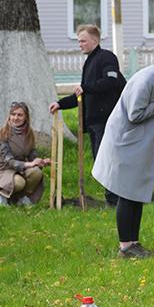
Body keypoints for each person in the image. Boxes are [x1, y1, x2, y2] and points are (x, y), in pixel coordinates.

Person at [92, 48, 154, 259]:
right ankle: (125, 247)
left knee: (137, 193)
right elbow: (135, 113)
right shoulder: (146, 79)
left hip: (140, 143)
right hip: (125, 141)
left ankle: (134, 243)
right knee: (127, 193)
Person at [49, 24, 126, 207]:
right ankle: (113, 198)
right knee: (102, 161)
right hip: (94, 123)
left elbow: (111, 81)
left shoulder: (106, 57)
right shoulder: (90, 61)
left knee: (108, 161)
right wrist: (60, 104)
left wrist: (86, 88)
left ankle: (116, 200)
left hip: (107, 120)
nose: (80, 44)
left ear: (95, 40)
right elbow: (83, 95)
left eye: (83, 40)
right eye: (78, 41)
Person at [0, 102, 50, 206]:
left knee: (37, 172)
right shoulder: (2, 134)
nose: (15, 118)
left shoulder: (29, 133)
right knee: (19, 183)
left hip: (19, 169)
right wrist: (30, 164)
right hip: (2, 169)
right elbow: (10, 161)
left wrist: (41, 161)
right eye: (13, 114)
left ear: (26, 117)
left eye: (20, 115)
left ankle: (21, 198)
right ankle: (0, 196)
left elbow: (32, 156)